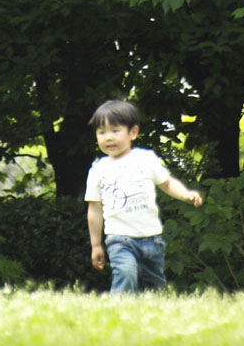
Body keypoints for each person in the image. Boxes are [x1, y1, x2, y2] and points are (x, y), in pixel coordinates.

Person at [84, 99, 202, 293]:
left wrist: (186, 194)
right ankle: (116, 310)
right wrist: (96, 245)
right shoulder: (98, 169)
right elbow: (94, 209)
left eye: (115, 130)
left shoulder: (145, 158)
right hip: (119, 239)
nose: (108, 138)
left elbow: (167, 183)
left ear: (133, 132)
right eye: (101, 132)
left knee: (155, 288)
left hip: (151, 239)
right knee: (125, 273)